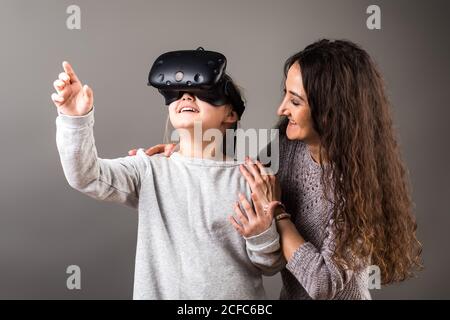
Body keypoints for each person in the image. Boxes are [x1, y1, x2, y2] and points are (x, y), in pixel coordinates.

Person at [135, 40, 423, 300]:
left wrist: (279, 214)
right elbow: (241, 173)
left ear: (331, 111)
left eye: (295, 101)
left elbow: (322, 285)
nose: (281, 108)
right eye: (285, 94)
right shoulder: (289, 146)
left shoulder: (357, 187)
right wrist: (185, 151)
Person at [51, 49, 284, 300]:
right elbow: (86, 176)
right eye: (176, 93)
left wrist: (261, 233)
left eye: (201, 92)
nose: (186, 96)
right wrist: (75, 119)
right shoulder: (149, 168)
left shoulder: (251, 180)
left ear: (230, 114)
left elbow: (269, 265)